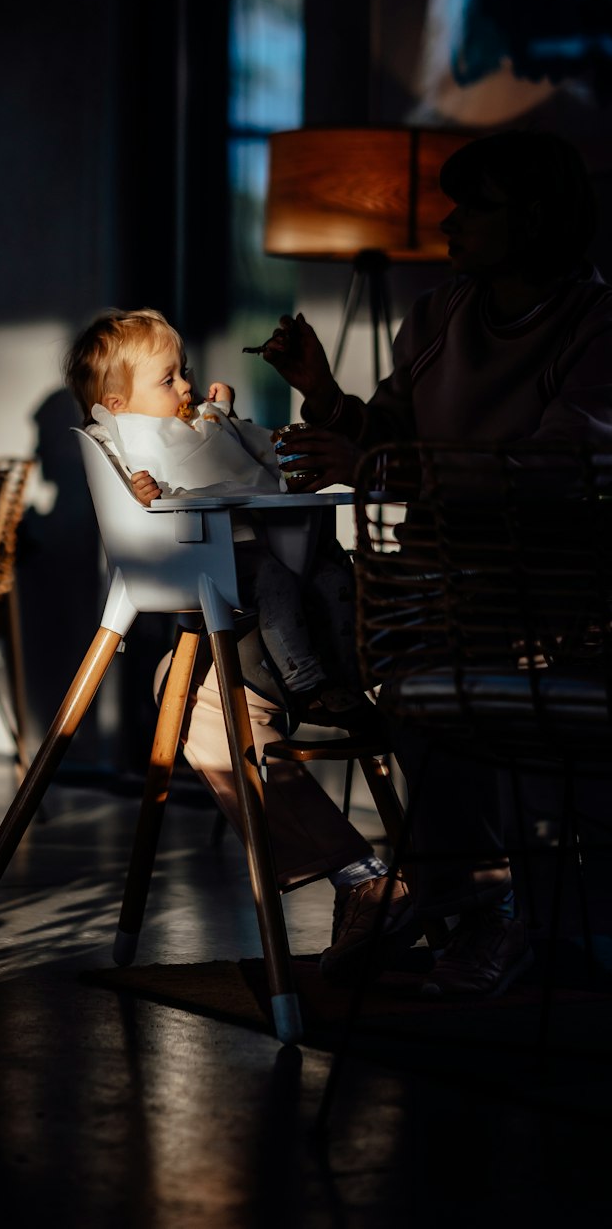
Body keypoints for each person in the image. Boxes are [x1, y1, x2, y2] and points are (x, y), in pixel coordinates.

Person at [260, 127, 612, 998]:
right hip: (433, 599)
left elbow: (562, 473)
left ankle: (484, 907)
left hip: (543, 603)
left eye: (473, 207)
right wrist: (325, 396)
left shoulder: (596, 326)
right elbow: (391, 433)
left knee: (457, 693)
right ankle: (475, 904)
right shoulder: (441, 314)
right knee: (407, 673)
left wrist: (384, 470)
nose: (449, 224)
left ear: (531, 221)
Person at [64, 307, 415, 981]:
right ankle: (366, 879)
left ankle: (367, 877)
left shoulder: (193, 429)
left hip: (318, 627)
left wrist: (222, 430)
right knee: (183, 681)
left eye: (183, 374)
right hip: (304, 611)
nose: (187, 388)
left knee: (183, 689)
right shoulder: (147, 445)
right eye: (170, 379)